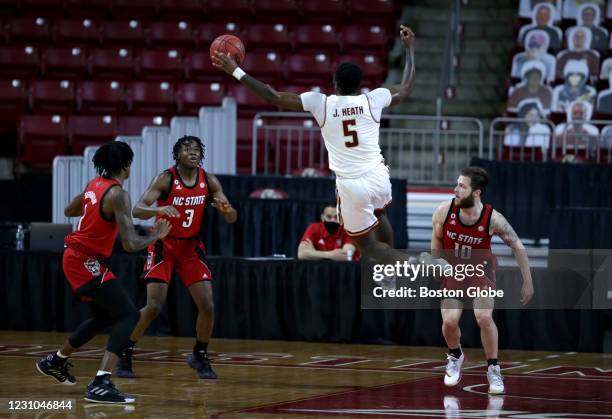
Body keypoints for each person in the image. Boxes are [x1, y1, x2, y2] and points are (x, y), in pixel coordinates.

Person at [213, 25, 434, 266]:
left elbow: (271, 96)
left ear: (335, 83)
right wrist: (410, 50)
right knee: (381, 215)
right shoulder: (374, 99)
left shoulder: (322, 104)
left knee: (366, 245)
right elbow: (406, 87)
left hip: (351, 183)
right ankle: (391, 269)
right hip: (378, 175)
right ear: (359, 85)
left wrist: (236, 71)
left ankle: (414, 261)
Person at [35, 141, 171, 404]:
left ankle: (55, 361)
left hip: (77, 256)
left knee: (103, 318)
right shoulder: (119, 194)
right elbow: (131, 244)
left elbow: (69, 210)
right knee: (129, 315)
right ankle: (101, 383)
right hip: (83, 260)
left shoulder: (95, 184)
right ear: (125, 165)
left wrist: (91, 206)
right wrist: (157, 236)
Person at [116, 135, 237, 380]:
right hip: (163, 245)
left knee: (208, 306)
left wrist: (228, 212)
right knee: (154, 306)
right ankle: (124, 350)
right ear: (178, 154)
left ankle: (199, 355)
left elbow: (232, 217)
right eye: (187, 149)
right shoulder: (166, 178)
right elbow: (138, 209)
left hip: (189, 248)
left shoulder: (209, 180)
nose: (193, 152)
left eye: (196, 149)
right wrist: (158, 209)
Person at [431, 167, 534, 395]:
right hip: (454, 271)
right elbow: (436, 239)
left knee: (484, 317)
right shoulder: (443, 211)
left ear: (476, 192)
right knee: (449, 322)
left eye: (462, 186)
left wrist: (528, 281)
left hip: (481, 272)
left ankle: (493, 368)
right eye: (456, 184)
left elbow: (518, 246)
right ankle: (455, 355)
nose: (455, 189)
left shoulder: (493, 218)